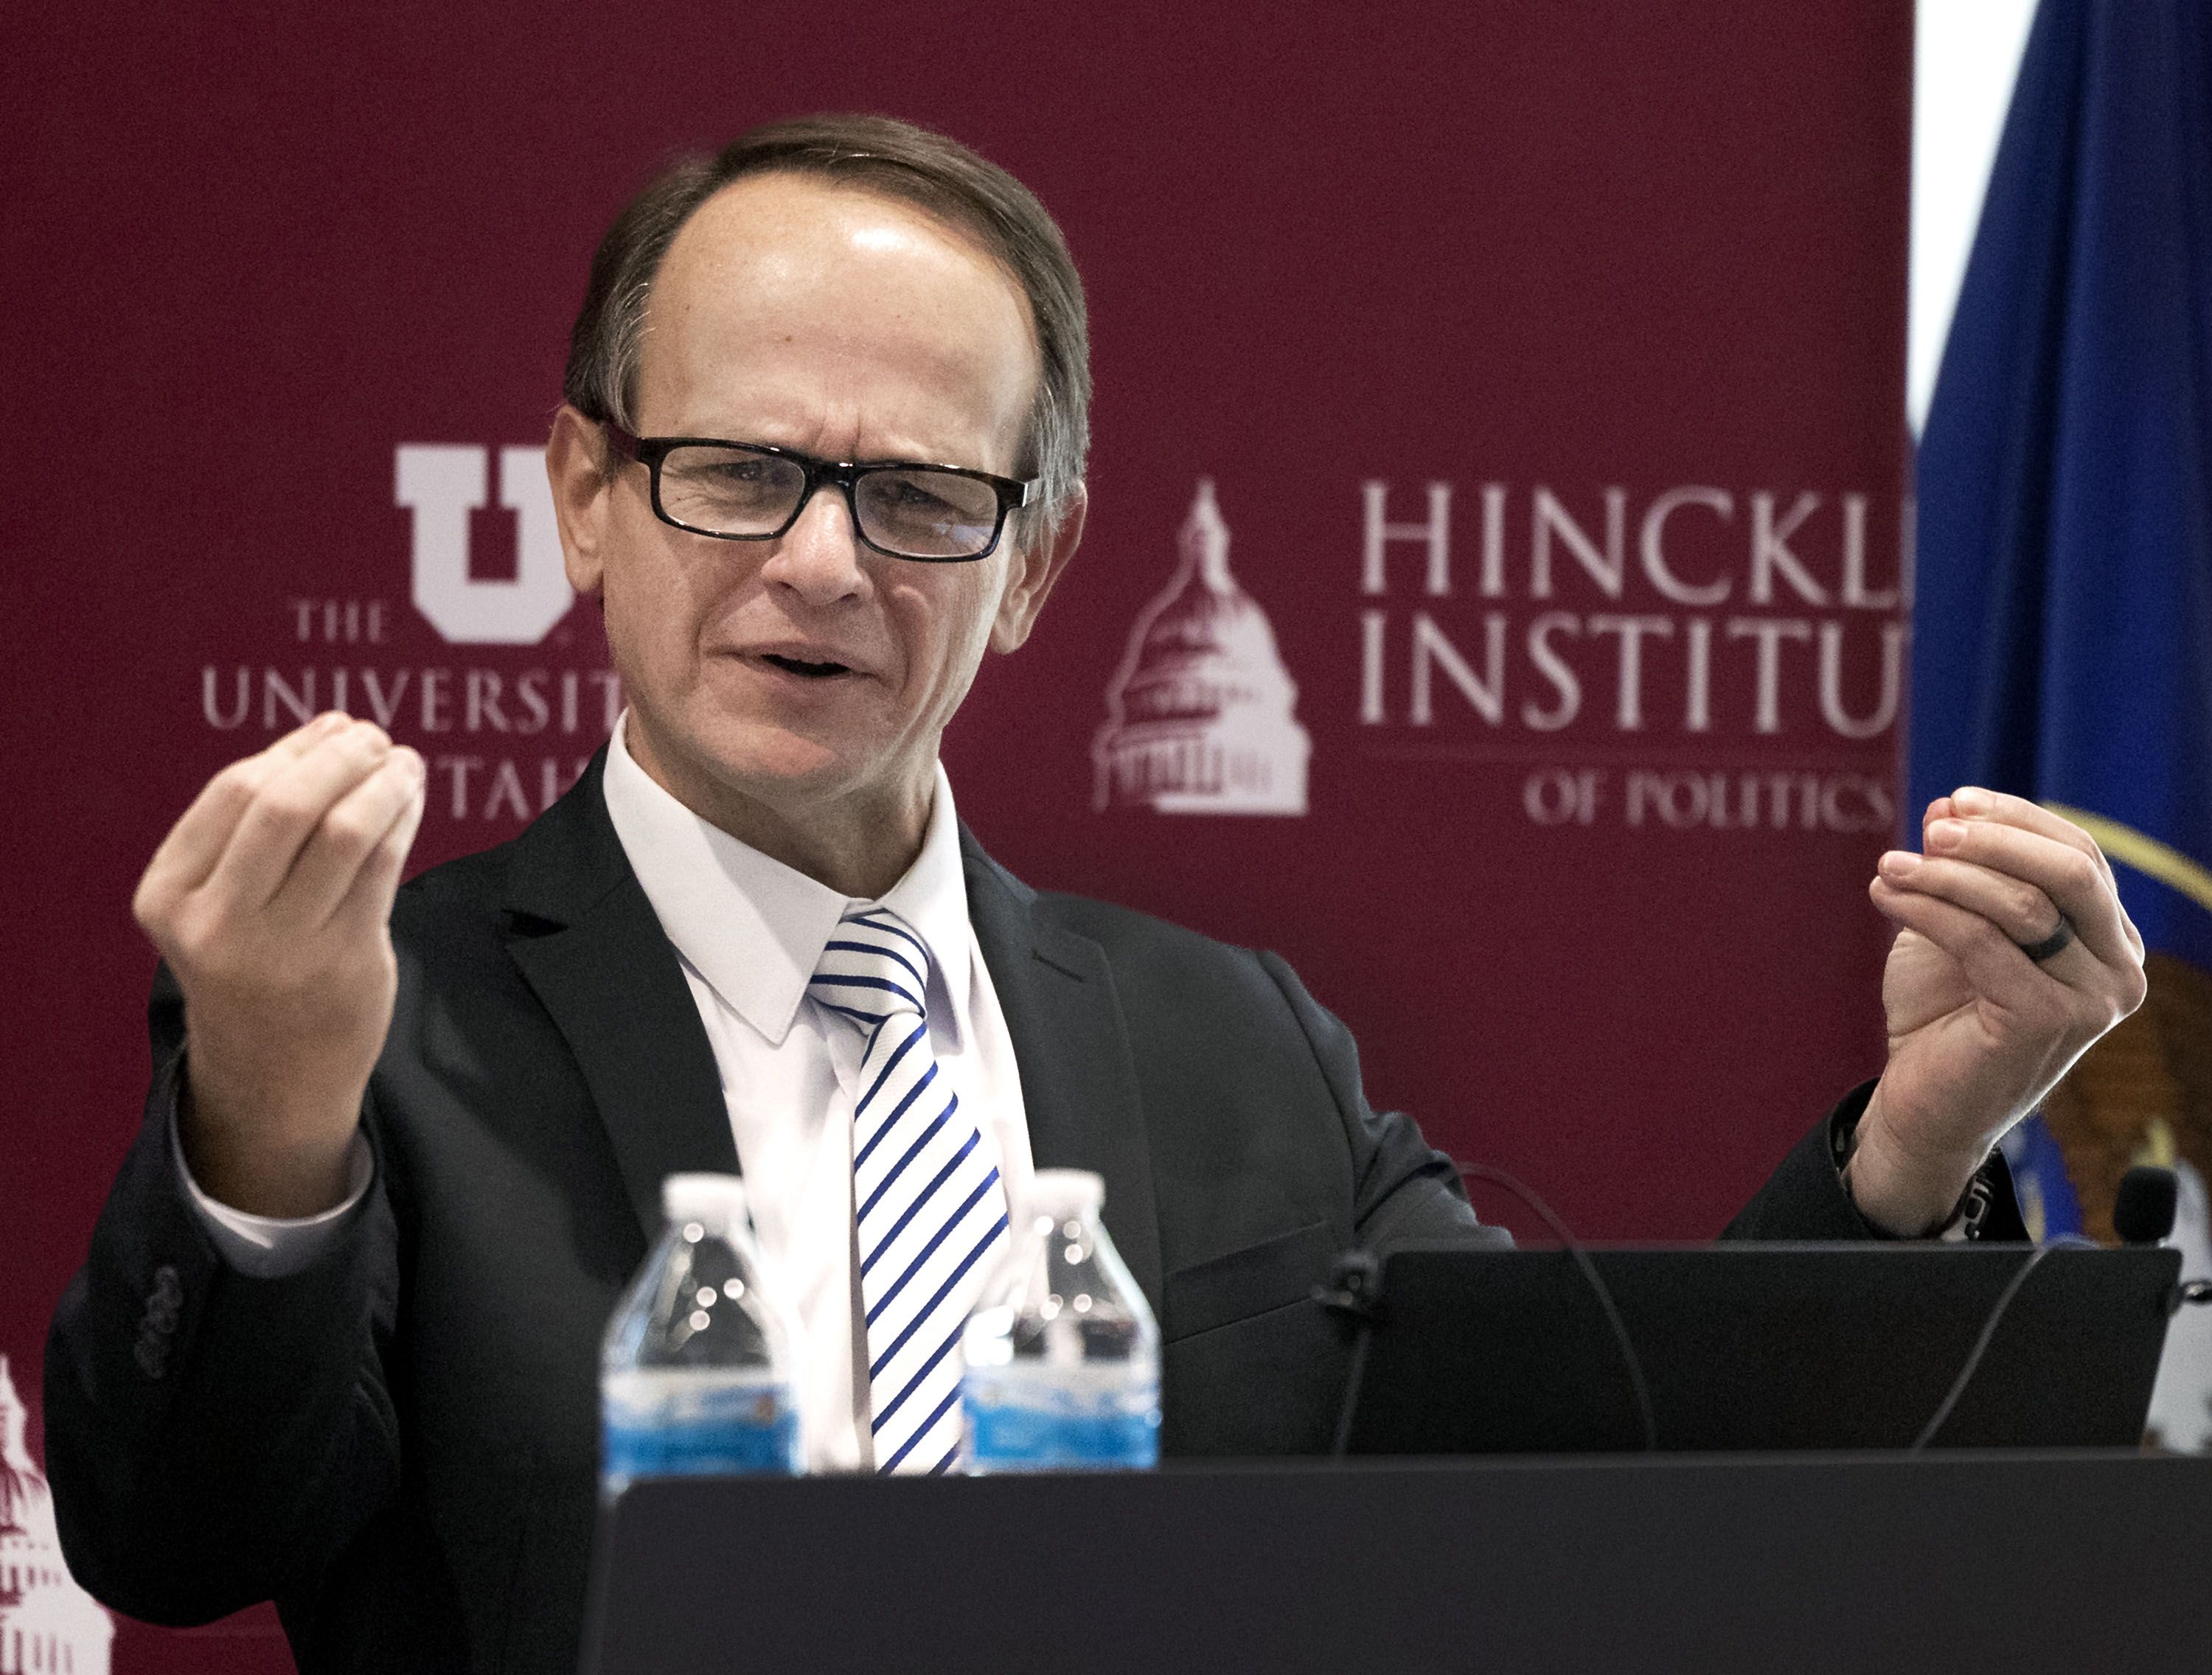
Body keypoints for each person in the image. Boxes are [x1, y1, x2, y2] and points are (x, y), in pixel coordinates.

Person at [45, 114, 2146, 1674]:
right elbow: (172, 1537)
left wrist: (1917, 1142)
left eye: (921, 497)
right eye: (741, 469)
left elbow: (1606, 1472)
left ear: (1034, 567)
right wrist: (277, 1116)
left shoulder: (1239, 1048)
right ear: (588, 495)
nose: (820, 562)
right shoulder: (374, 1014)